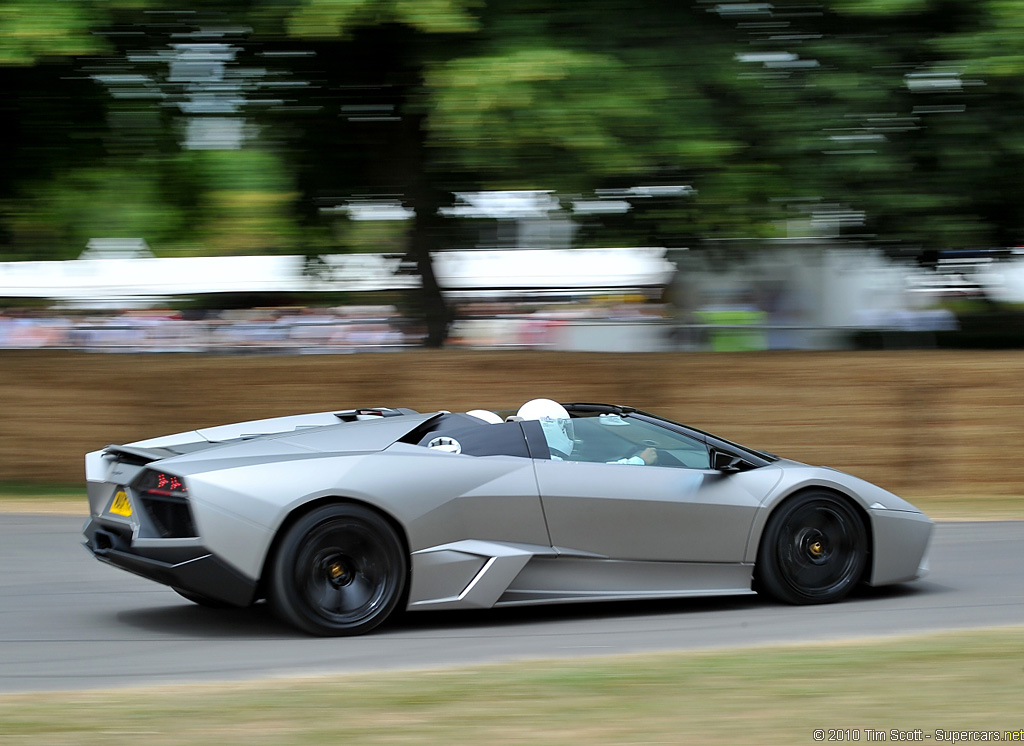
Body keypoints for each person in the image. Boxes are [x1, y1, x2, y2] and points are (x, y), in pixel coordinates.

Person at [516, 399, 657, 465]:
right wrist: (640, 460)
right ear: (551, 428)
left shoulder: (519, 460)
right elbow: (601, 475)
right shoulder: (551, 465)